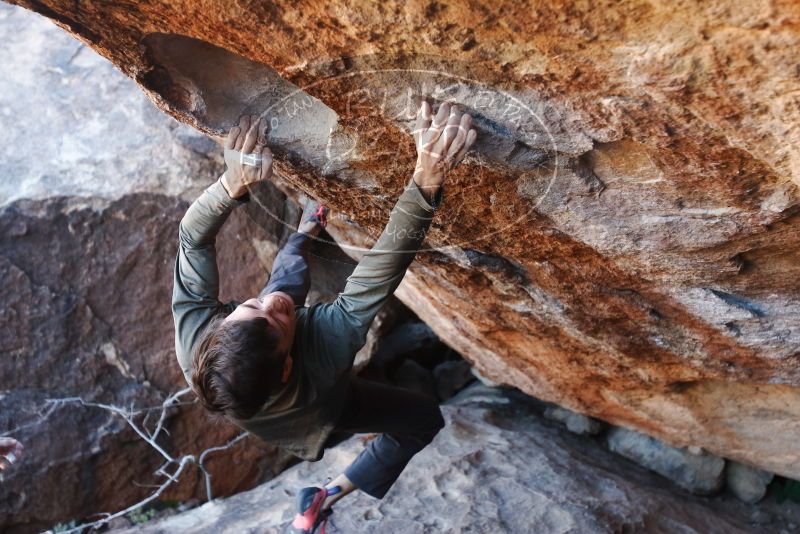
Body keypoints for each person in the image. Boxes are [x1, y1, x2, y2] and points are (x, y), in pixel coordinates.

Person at [172, 100, 476, 533]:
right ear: (289, 362)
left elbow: (192, 240)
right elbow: (381, 269)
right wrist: (426, 179)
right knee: (422, 418)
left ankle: (302, 234)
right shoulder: (325, 353)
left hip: (264, 400)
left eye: (249, 307)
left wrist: (232, 183)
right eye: (276, 323)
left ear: (220, 327)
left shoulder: (197, 343)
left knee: (281, 295)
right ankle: (326, 495)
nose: (268, 305)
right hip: (320, 412)